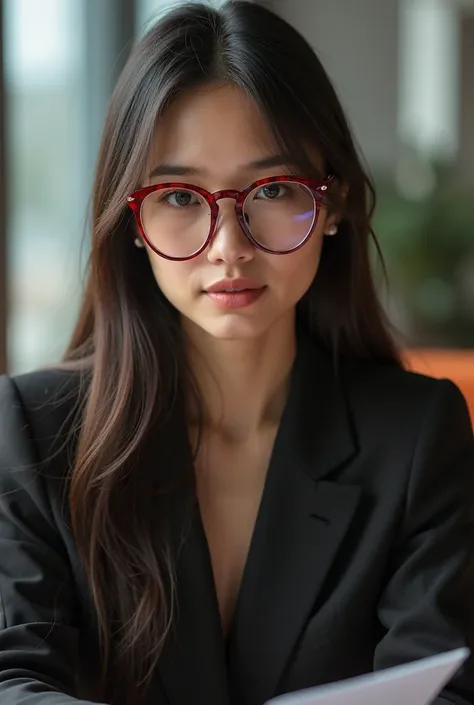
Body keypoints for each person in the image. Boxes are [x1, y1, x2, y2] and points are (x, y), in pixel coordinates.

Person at [0, 1, 473, 704]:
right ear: (131, 220)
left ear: (334, 201)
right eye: (181, 195)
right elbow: (13, 679)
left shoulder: (416, 436)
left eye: (275, 189)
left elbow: (444, 686)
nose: (229, 244)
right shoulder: (35, 430)